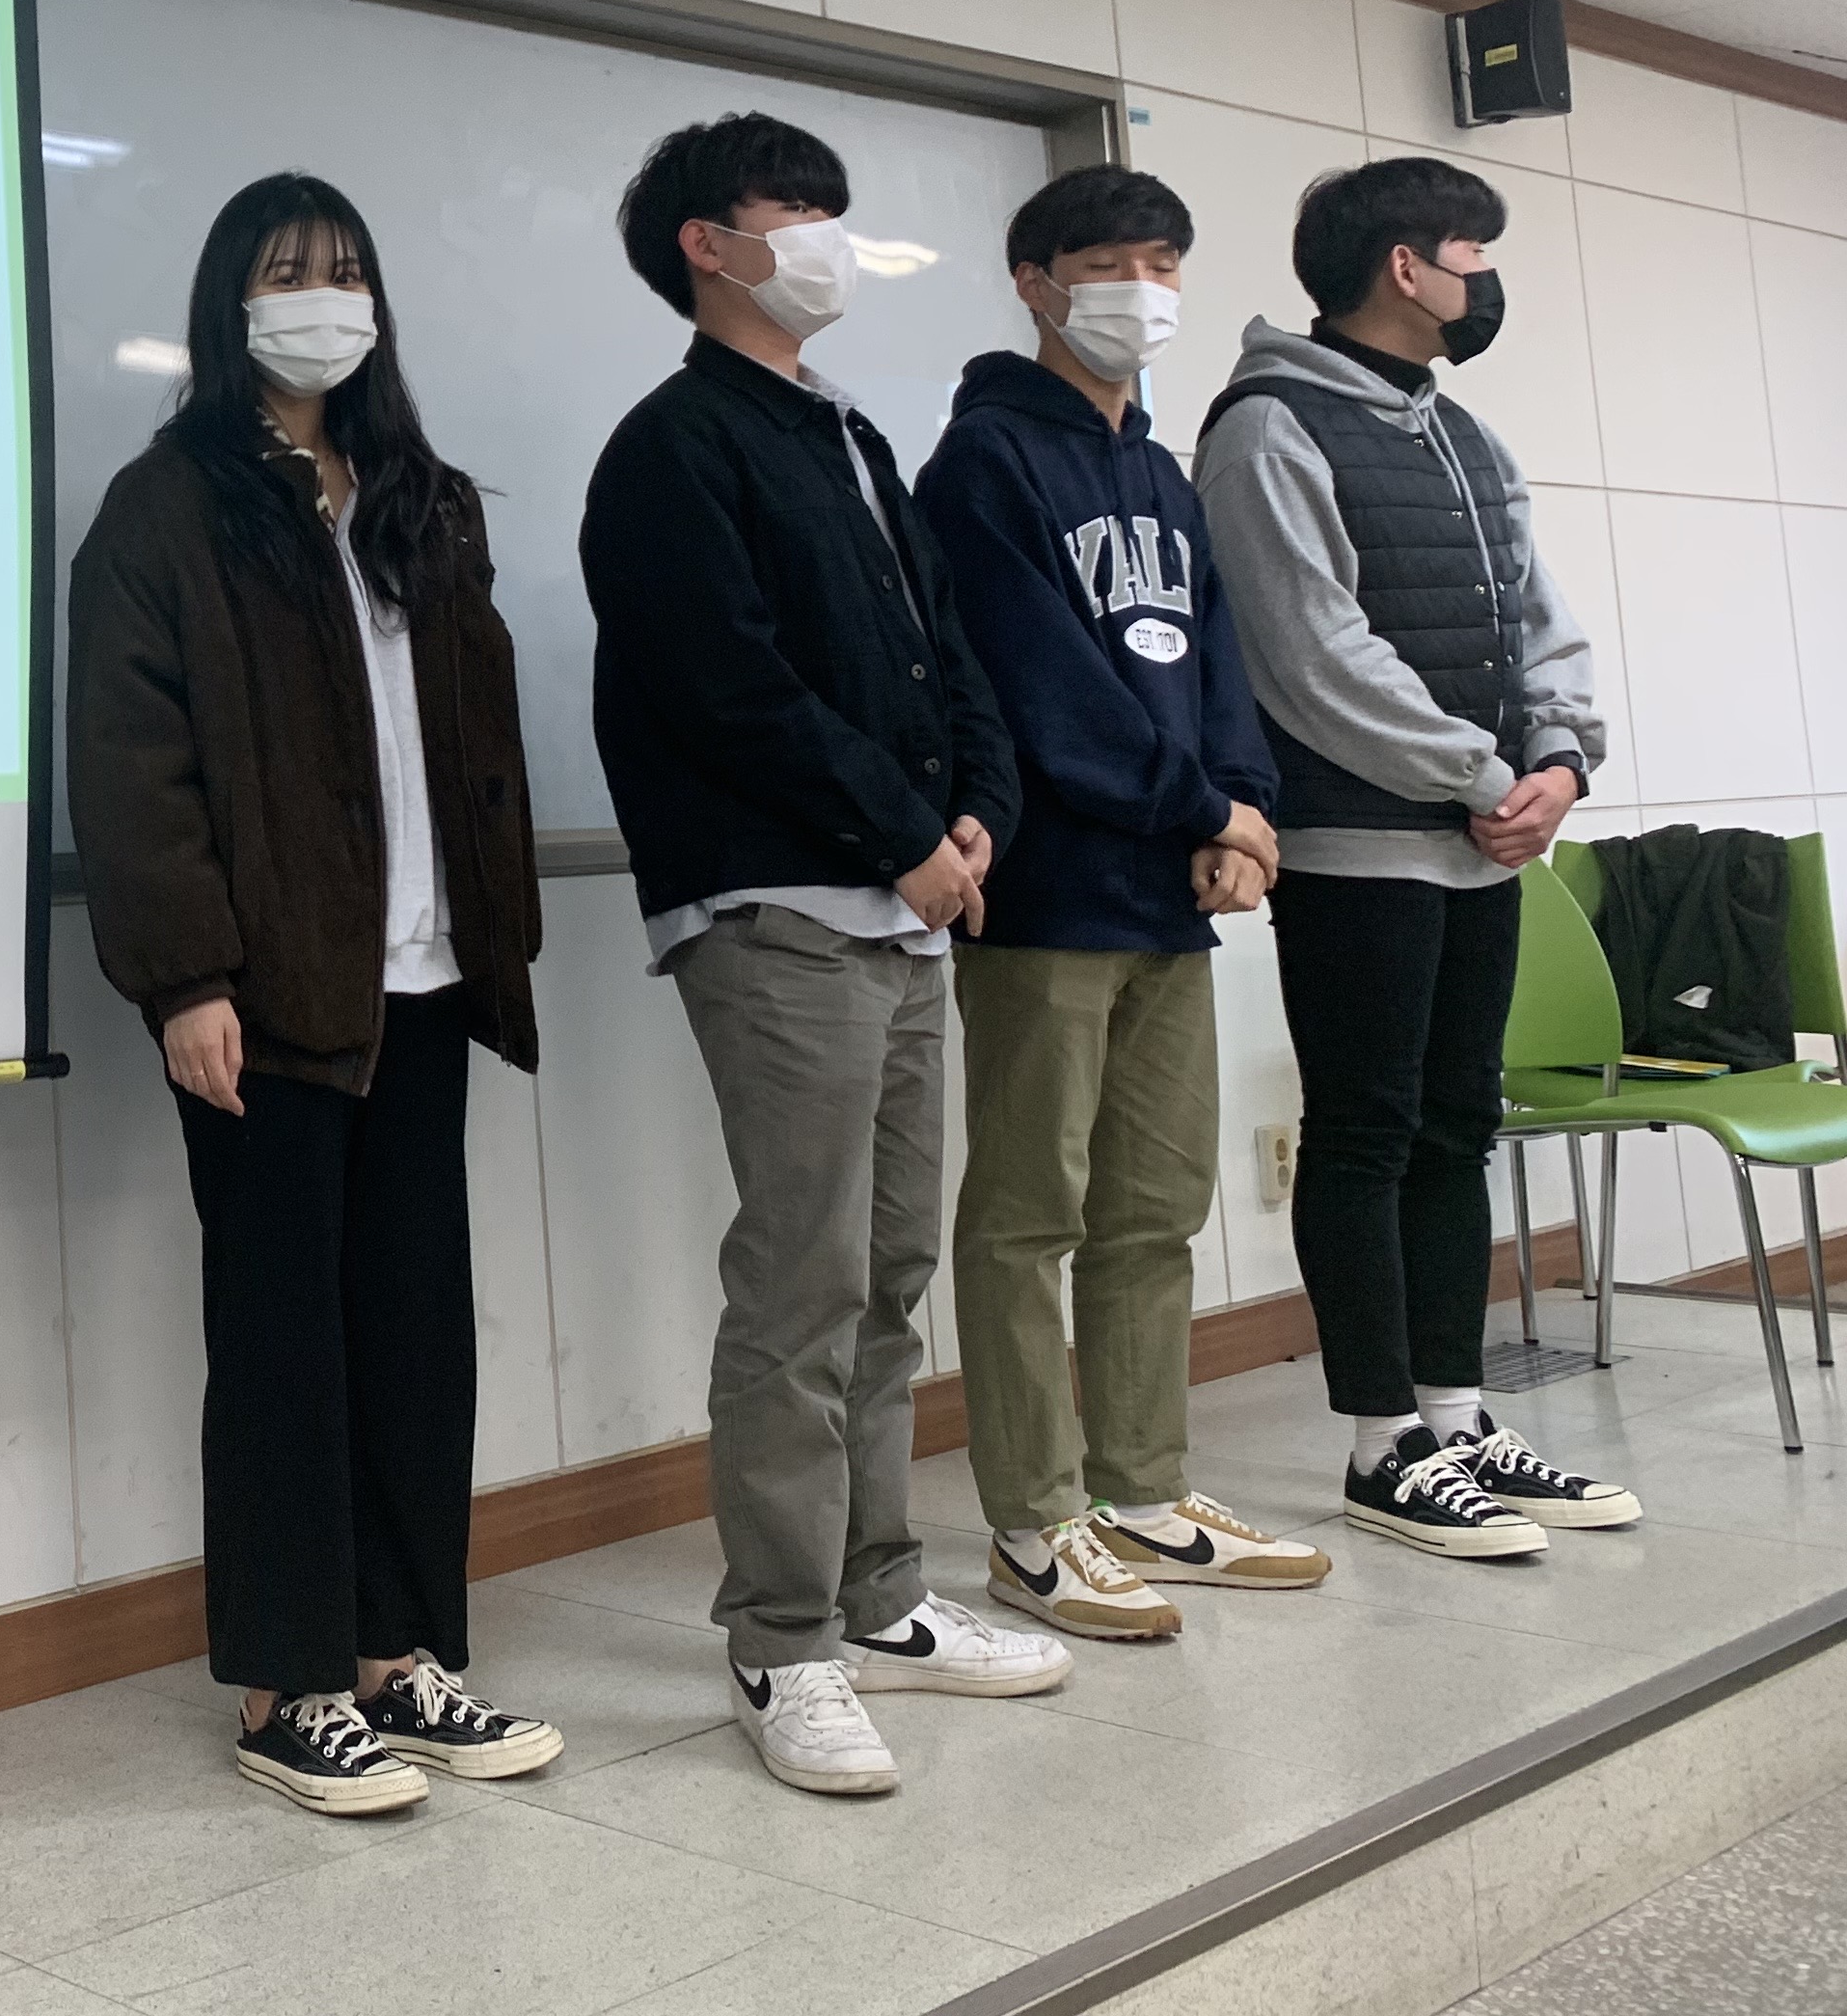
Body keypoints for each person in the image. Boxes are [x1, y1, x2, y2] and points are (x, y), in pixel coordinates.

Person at [582, 111, 1070, 1800]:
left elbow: (949, 654)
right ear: (706, 243)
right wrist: (900, 836)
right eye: (795, 210)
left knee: (889, 1270)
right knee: (802, 1282)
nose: (827, 240)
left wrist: (981, 814)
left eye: (831, 210)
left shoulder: (850, 433)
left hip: (909, 903)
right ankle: (780, 1640)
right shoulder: (672, 447)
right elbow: (727, 686)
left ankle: (881, 1597)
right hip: (779, 908)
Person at [67, 173, 560, 1817]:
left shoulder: (423, 497)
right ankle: (288, 1685)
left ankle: (400, 1654)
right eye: (289, 272)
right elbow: (131, 761)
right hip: (267, 996)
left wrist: (496, 934)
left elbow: (476, 735)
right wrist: (184, 979)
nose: (323, 299)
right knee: (283, 1338)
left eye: (347, 270)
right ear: (233, 301)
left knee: (414, 1327)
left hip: (423, 977)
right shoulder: (169, 506)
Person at [1195, 157, 1638, 1559]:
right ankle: (1380, 1444)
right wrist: (1489, 778)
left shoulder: (1464, 434)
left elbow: (1536, 617)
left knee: (1459, 1125)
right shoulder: (1268, 426)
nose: (1485, 280)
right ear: (1405, 265)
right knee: (1367, 1131)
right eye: (1473, 252)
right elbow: (1313, 654)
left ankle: (1457, 1414)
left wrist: (1562, 760)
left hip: (1482, 843)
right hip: (1358, 844)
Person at [915, 166, 1329, 1647]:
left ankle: (1144, 1489)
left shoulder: (1160, 472)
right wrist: (1201, 808)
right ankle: (1034, 1524)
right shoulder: (980, 465)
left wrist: (1242, 810)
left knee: (1156, 1209)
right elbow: (1040, 689)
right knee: (1029, 1214)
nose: (1142, 290)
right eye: (1110, 262)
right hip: (1044, 897)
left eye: (1164, 262)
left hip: (1168, 895)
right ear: (1036, 281)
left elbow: (1218, 659)